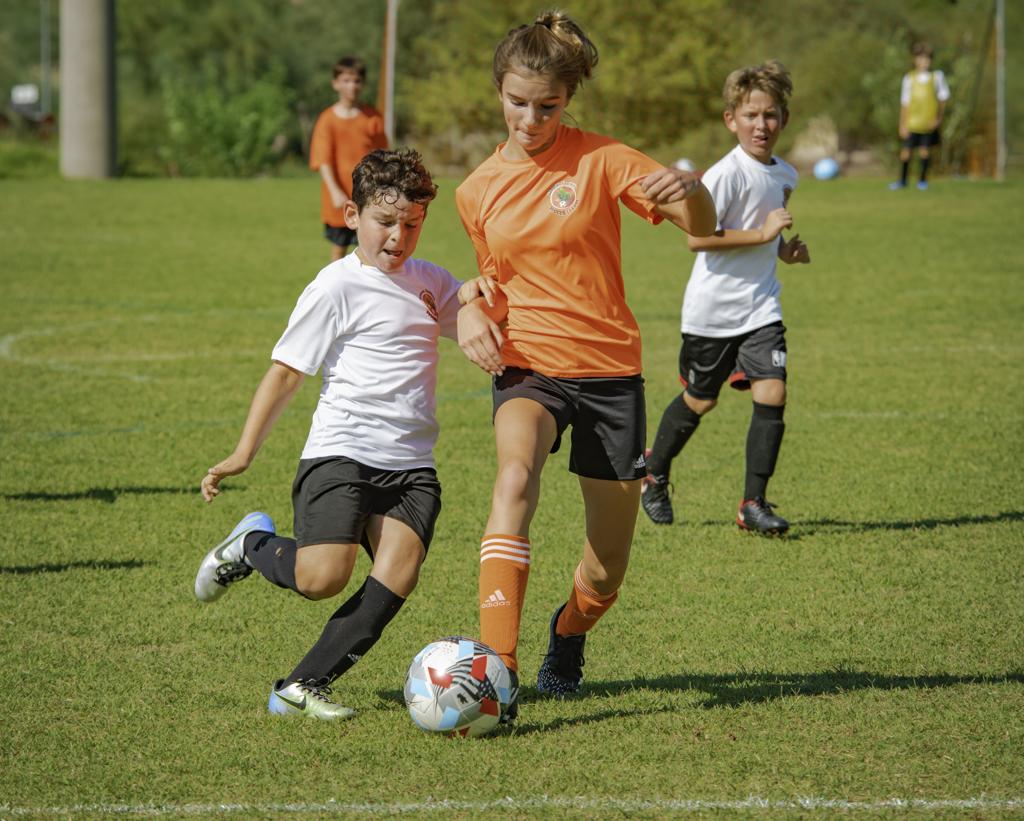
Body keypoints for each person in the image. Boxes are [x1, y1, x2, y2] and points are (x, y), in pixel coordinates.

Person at [454, 11, 717, 718]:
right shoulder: (476, 190)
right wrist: (469, 306)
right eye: (518, 102)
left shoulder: (604, 160)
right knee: (514, 477)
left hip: (609, 373)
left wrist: (692, 192)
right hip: (527, 365)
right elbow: (493, 280)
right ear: (498, 91)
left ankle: (568, 632)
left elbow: (701, 231)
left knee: (606, 569)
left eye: (548, 106)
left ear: (568, 99)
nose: (531, 120)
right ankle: (499, 673)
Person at [194, 148, 496, 720]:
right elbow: (286, 374)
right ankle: (251, 545)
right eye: (385, 222)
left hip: (412, 466)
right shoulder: (335, 287)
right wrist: (242, 453)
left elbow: (472, 319)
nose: (398, 237)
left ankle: (300, 687)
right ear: (352, 215)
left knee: (398, 573)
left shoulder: (431, 282)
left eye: (412, 224)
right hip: (343, 453)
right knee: (321, 579)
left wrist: (477, 297)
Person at [641, 60, 810, 535]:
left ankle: (753, 504)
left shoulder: (786, 174)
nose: (761, 125)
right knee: (700, 400)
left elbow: (767, 228)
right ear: (731, 120)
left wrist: (784, 250)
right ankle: (654, 472)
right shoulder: (724, 174)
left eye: (770, 115)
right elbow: (697, 238)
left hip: (761, 305)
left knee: (773, 391)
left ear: (784, 119)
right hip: (712, 312)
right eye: (751, 115)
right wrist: (763, 235)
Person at [309, 56, 389, 261]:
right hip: (340, 199)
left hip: (369, 197)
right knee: (339, 250)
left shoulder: (372, 117)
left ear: (363, 84)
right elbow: (323, 159)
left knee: (370, 251)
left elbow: (383, 157)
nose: (351, 86)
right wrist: (335, 191)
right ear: (335, 83)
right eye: (346, 80)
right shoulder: (327, 120)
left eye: (356, 81)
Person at [889, 43, 949, 191]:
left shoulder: (937, 77)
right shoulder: (909, 78)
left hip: (927, 123)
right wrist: (902, 124)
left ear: (931, 60)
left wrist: (938, 118)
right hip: (912, 122)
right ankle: (902, 181)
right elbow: (905, 103)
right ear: (915, 60)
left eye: (927, 59)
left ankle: (922, 181)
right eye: (920, 58)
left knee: (924, 151)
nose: (924, 62)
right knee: (906, 152)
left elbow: (943, 99)